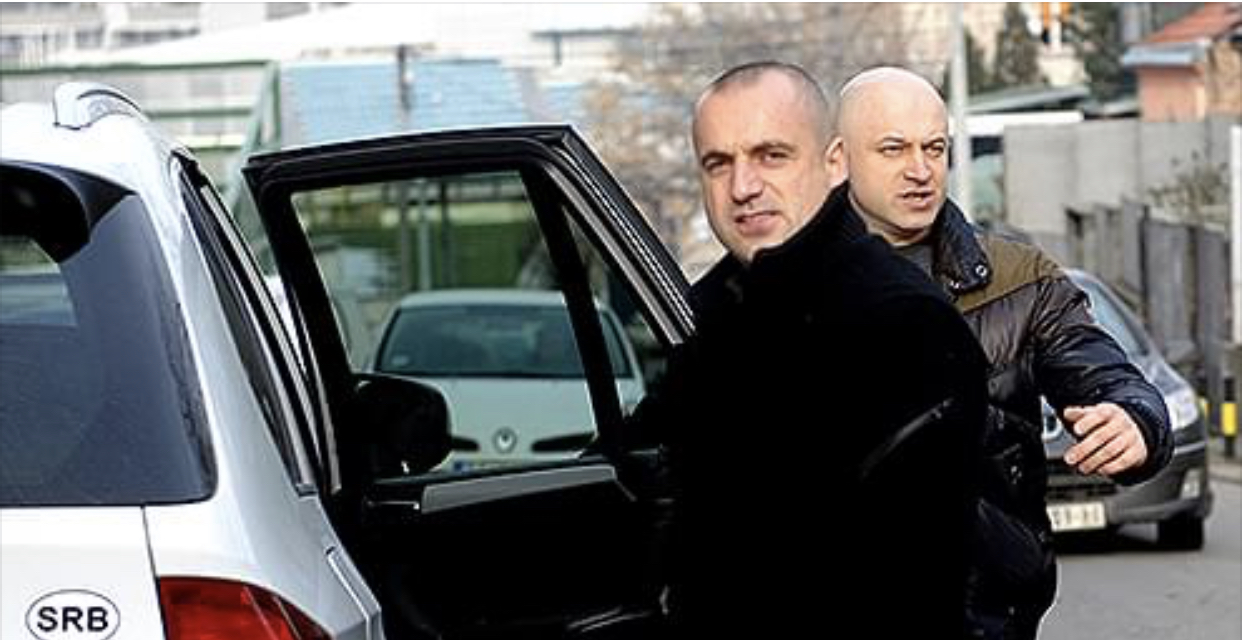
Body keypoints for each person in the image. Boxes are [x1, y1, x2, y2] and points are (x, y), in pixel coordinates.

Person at [626, 61, 989, 637]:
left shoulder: (903, 322)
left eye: (771, 156)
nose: (742, 187)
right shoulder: (711, 316)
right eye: (718, 164)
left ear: (834, 163)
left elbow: (910, 579)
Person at [826, 66, 1173, 639]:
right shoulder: (787, 290)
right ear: (838, 158)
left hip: (984, 618)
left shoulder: (1022, 280)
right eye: (893, 149)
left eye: (934, 148)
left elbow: (1104, 372)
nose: (920, 170)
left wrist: (1138, 419)